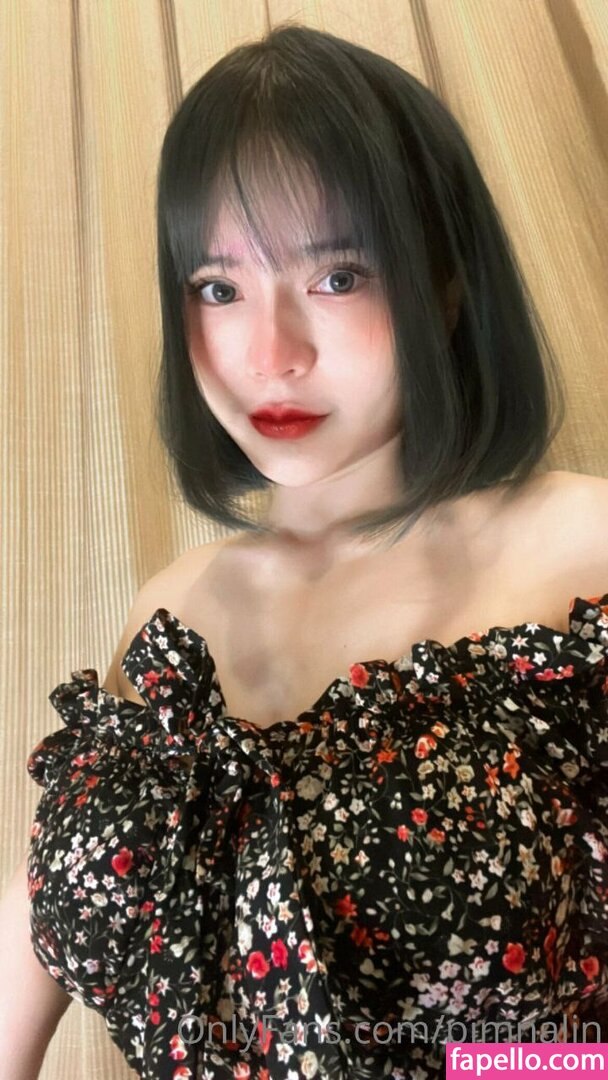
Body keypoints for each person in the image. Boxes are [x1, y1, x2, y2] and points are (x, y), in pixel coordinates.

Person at [2, 21, 607, 1080]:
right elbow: (47, 908)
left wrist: (497, 1067)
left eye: (336, 277)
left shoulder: (581, 550)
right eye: (217, 287)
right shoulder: (173, 615)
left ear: (445, 282)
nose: (268, 354)